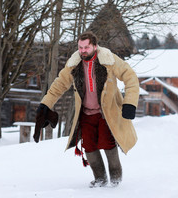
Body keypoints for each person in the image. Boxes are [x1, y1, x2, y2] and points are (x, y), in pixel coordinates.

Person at [33, 31, 139, 188]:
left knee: (107, 143)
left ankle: (116, 180)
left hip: (106, 113)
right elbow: (59, 85)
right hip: (86, 114)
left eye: (86, 47)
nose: (83, 50)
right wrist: (45, 104)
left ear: (95, 46)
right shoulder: (74, 64)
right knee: (89, 147)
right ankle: (100, 179)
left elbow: (130, 76)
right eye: (80, 47)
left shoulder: (109, 60)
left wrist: (130, 103)